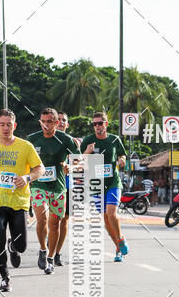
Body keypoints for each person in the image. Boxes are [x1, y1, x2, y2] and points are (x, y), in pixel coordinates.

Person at [28, 107, 79, 275]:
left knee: (55, 222)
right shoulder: (32, 139)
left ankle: (50, 257)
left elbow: (80, 161)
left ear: (57, 123)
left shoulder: (65, 139)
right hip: (38, 186)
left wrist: (70, 166)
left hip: (58, 187)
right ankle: (43, 249)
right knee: (41, 218)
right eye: (43, 121)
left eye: (49, 121)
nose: (45, 125)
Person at [0, 109, 44, 292]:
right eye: (2, 124)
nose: (6, 128)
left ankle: (14, 246)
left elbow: (39, 169)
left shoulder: (25, 146)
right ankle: (5, 278)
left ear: (15, 126)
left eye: (9, 124)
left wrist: (26, 178)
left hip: (19, 202)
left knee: (22, 245)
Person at [80, 112, 128, 262]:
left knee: (111, 213)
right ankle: (118, 249)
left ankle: (120, 240)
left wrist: (121, 161)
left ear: (106, 124)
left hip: (113, 182)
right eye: (94, 124)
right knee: (106, 218)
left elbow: (122, 155)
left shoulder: (114, 139)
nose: (97, 126)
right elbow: (78, 162)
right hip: (96, 184)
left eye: (100, 123)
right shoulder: (88, 141)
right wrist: (87, 152)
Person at [54, 111, 81, 267]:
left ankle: (57, 253)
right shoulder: (45, 139)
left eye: (64, 120)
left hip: (68, 185)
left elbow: (80, 163)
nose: (61, 122)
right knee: (49, 221)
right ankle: (46, 247)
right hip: (49, 185)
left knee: (64, 219)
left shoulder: (73, 142)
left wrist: (70, 166)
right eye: (58, 120)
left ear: (67, 124)